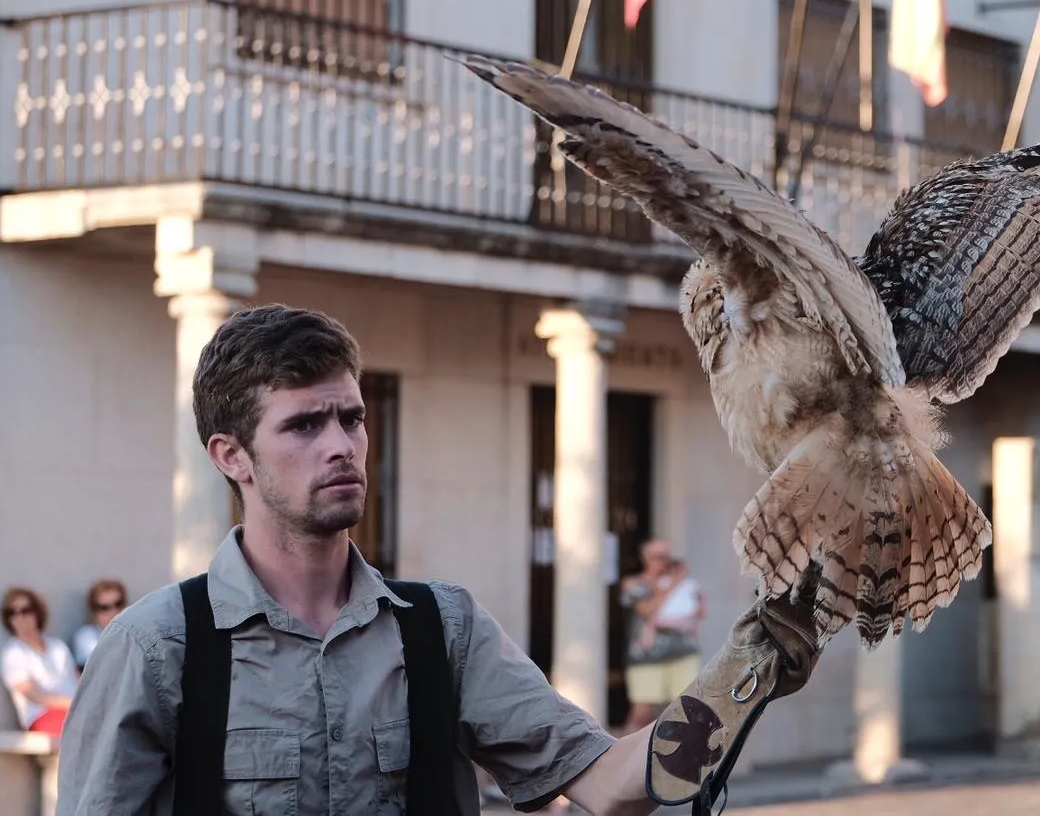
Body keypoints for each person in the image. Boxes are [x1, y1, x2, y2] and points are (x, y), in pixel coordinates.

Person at [55, 303, 658, 815]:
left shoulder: (444, 628)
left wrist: (721, 687)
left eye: (352, 419)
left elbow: (607, 782)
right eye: (304, 426)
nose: (342, 446)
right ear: (231, 456)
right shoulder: (155, 646)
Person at [619, 539, 705, 732]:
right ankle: (625, 749)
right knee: (642, 712)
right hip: (647, 655)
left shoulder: (684, 583)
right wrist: (673, 584)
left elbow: (699, 611)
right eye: (658, 557)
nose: (664, 562)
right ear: (646, 558)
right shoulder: (634, 583)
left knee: (687, 708)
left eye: (667, 557)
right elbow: (646, 610)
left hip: (683, 652)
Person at [0, 586, 80, 736]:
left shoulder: (58, 646)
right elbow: (34, 696)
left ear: (37, 612)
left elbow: (78, 681)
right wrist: (72, 704)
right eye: (12, 613)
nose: (19, 617)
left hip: (76, 712)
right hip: (43, 716)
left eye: (25, 610)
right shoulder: (14, 653)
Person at [70, 578, 128, 673]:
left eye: (118, 604)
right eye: (104, 607)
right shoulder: (86, 637)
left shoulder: (135, 634)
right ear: (94, 612)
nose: (113, 611)